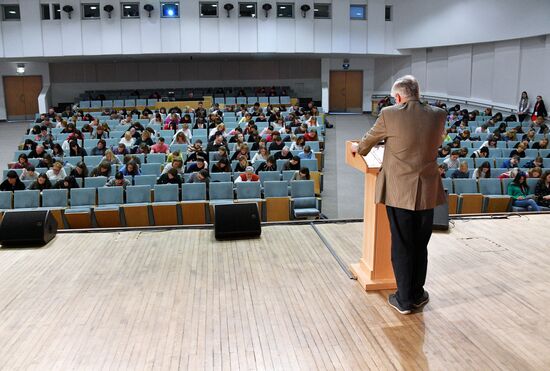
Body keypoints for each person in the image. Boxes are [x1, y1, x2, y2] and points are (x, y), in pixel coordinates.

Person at [351, 75, 447, 315]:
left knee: (402, 244)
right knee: (420, 244)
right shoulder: (438, 114)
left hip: (399, 190)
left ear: (398, 97)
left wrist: (357, 147)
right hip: (426, 190)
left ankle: (403, 300)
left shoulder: (390, 114)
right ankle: (416, 294)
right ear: (417, 92)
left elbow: (364, 146)